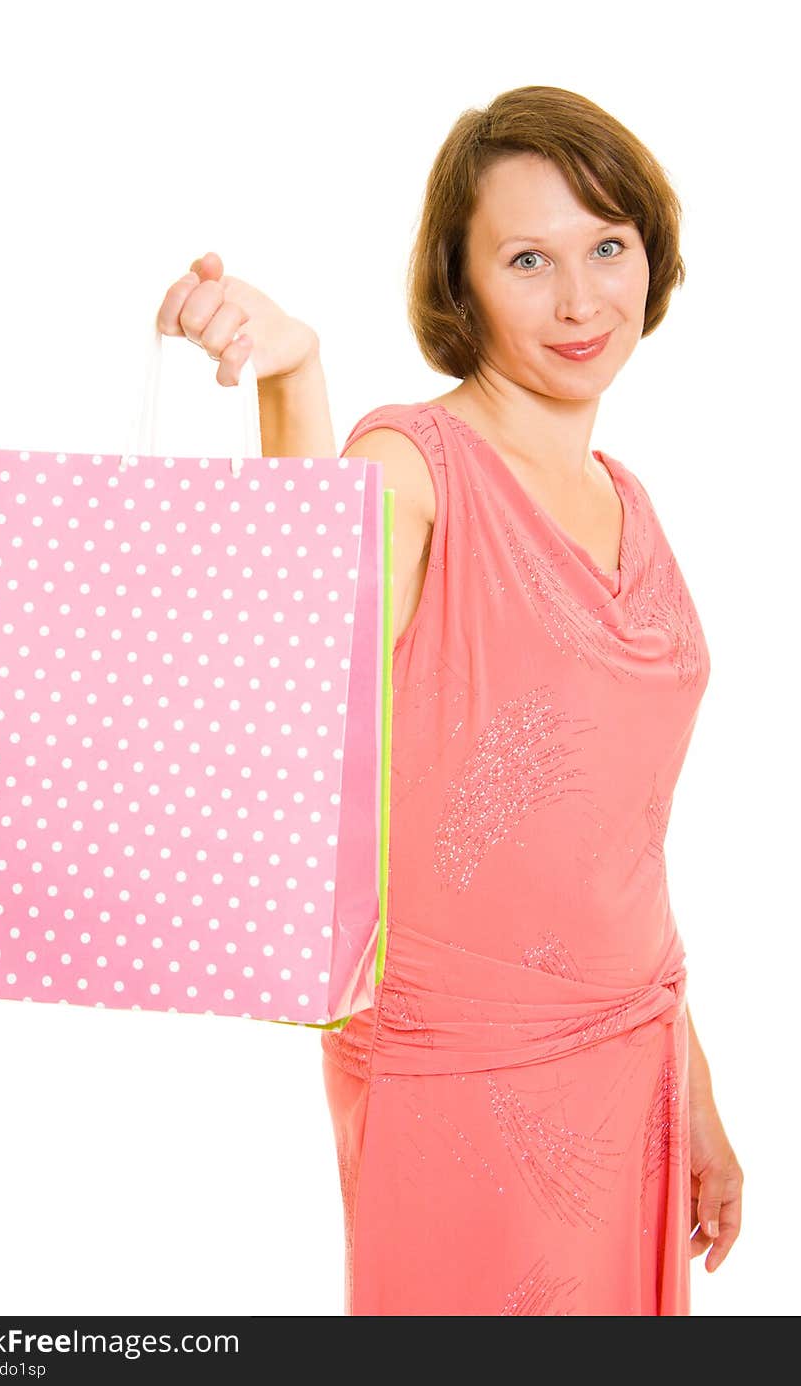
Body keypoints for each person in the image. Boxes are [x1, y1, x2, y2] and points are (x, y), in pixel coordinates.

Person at [156, 83, 743, 1317]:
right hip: (461, 1070)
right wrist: (294, 370)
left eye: (607, 247)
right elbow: (300, 649)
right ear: (459, 281)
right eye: (528, 258)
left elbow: (621, 843)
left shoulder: (630, 498)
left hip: (629, 1062)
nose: (581, 299)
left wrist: (692, 1090)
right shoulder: (416, 465)